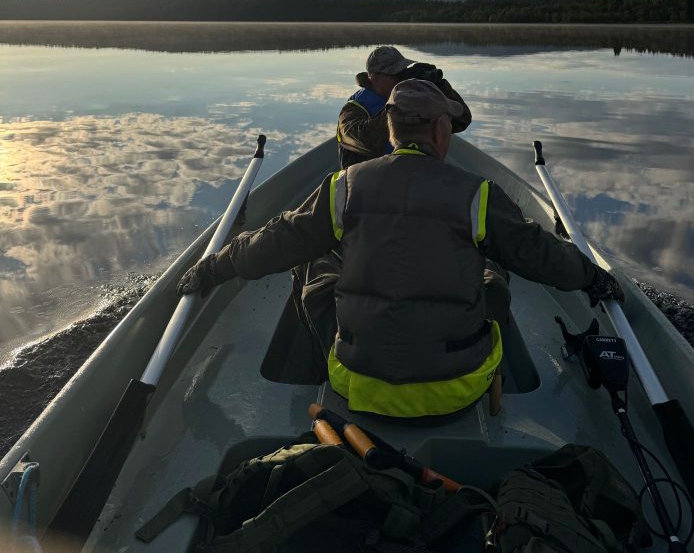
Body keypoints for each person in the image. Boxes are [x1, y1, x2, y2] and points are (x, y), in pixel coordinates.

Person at [178, 80, 624, 420]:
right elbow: (542, 255)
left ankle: (306, 371)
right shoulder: (479, 194)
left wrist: (213, 267)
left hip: (357, 384)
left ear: (390, 132)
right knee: (495, 265)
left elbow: (275, 242)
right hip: (458, 387)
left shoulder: (343, 186)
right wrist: (594, 278)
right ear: (440, 130)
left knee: (312, 259)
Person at [337, 45, 471, 169]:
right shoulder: (352, 111)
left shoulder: (411, 100)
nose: (401, 78)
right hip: (367, 181)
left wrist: (438, 85)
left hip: (409, 175)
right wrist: (398, 107)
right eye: (395, 74)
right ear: (374, 78)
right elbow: (365, 141)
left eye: (403, 72)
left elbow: (462, 120)